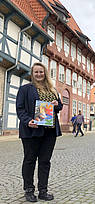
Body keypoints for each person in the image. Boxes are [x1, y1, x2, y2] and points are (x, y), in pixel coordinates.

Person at [16, 62, 63, 202]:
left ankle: (43, 190)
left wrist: (56, 105)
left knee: (45, 161)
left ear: (45, 73)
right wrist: (28, 121)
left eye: (41, 72)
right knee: (30, 160)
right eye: (36, 72)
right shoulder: (25, 89)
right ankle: (29, 190)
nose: (39, 74)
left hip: (49, 132)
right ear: (32, 74)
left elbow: (59, 106)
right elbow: (20, 109)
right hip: (32, 130)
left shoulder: (52, 90)